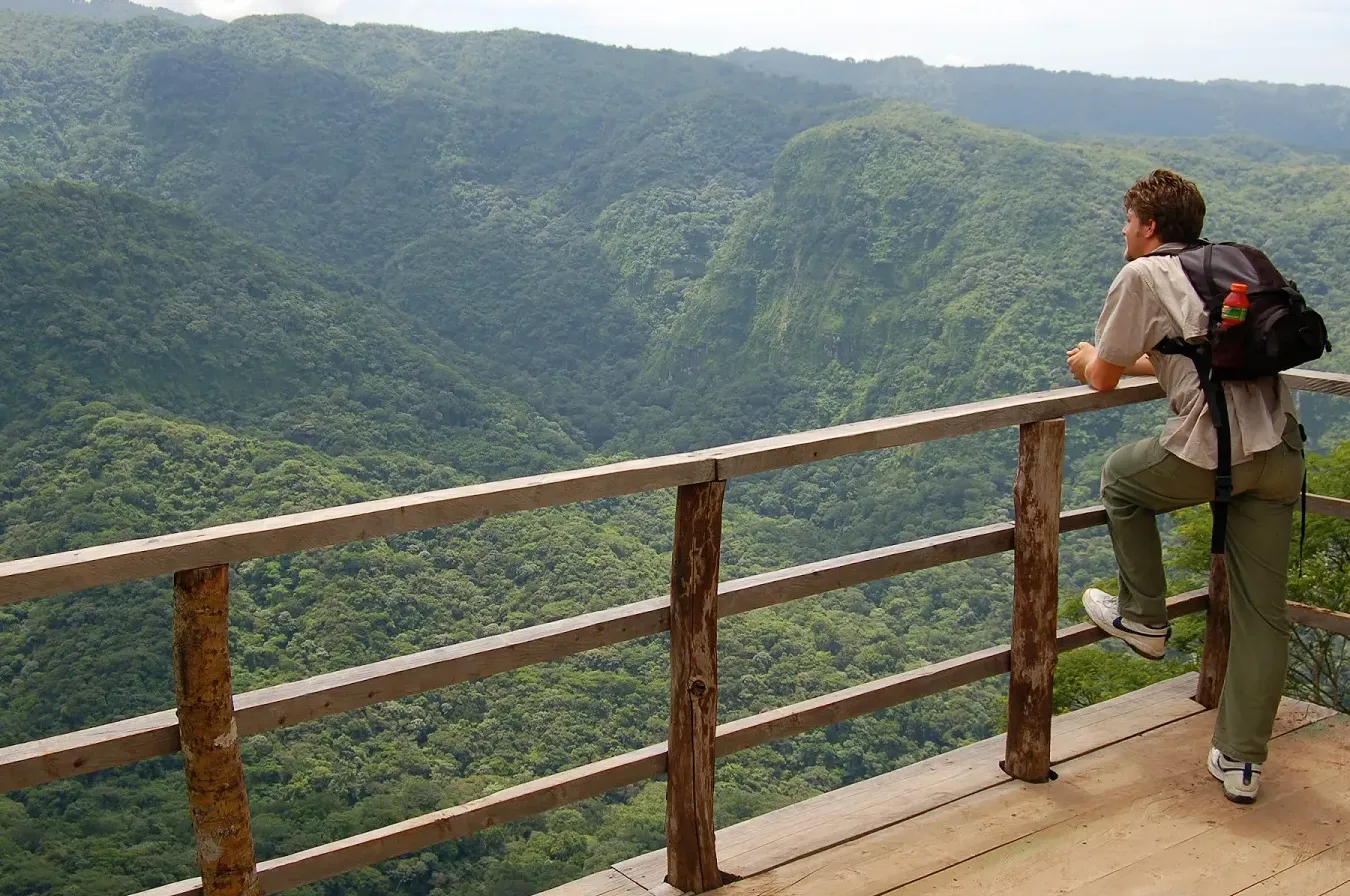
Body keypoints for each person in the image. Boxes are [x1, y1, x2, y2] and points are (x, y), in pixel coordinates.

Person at [1066, 168, 1304, 805]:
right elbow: (1189, 355)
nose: (1122, 231)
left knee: (1120, 479)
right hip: (1280, 450)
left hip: (1214, 452)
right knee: (1263, 615)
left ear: (1149, 227)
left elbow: (1104, 378)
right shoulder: (1222, 271)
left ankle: (1144, 617)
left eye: (1126, 221)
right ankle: (1242, 762)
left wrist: (1088, 356)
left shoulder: (1141, 276)